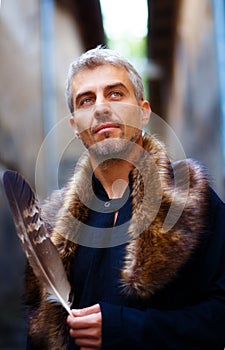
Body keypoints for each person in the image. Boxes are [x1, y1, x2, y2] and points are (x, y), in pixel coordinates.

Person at [25, 46, 225, 350]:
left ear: (143, 111)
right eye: (86, 100)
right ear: (75, 126)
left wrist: (128, 328)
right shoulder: (52, 225)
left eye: (115, 94)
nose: (101, 108)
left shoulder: (190, 197)